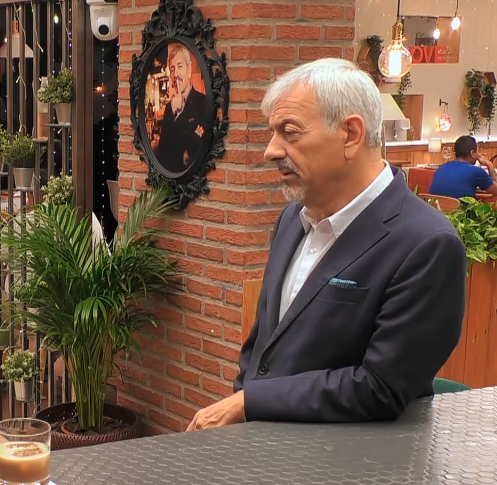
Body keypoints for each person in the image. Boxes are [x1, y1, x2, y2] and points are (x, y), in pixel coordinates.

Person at [187, 58, 466, 429]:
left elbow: (379, 387)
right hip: (263, 452)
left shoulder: (427, 244)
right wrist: (244, 415)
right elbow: (263, 346)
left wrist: (250, 402)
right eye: (272, 133)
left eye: (289, 132)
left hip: (352, 463)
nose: (270, 151)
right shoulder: (292, 219)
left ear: (350, 135)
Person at [154, 42, 207, 174]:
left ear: (189, 70)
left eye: (179, 66)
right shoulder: (169, 107)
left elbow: (200, 148)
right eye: (172, 69)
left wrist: (178, 115)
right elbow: (162, 153)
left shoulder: (203, 102)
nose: (176, 73)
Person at [427, 135, 497, 198]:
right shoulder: (476, 171)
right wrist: (490, 165)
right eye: (477, 151)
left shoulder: (441, 168)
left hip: (435, 210)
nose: (479, 155)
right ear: (472, 153)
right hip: (459, 211)